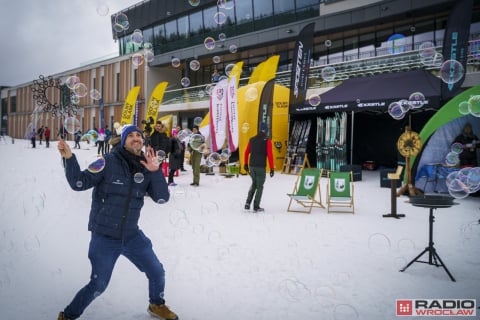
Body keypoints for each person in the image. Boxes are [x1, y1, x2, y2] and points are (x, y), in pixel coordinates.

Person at [56, 125, 178, 320]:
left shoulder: (146, 167)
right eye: (130, 135)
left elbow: (162, 197)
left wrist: (155, 171)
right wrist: (69, 158)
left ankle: (156, 304)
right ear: (123, 141)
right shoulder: (107, 161)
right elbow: (78, 182)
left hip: (131, 234)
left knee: (157, 271)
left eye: (139, 135)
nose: (136, 138)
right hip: (104, 236)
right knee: (98, 285)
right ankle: (68, 316)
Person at [243, 122, 275, 212]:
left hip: (252, 166)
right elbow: (270, 155)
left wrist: (245, 164)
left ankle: (247, 203)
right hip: (260, 167)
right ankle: (256, 206)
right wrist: (272, 168)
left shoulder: (251, 139)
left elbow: (246, 152)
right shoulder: (267, 141)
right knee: (260, 186)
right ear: (266, 130)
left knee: (254, 184)